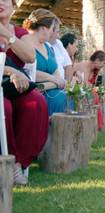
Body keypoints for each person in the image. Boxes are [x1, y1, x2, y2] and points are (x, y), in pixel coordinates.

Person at [0, 0, 49, 185]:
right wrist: (11, 71)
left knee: (36, 102)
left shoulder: (20, 32)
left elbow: (29, 56)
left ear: (14, 6)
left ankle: (19, 162)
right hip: (4, 84)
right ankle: (9, 161)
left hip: (13, 88)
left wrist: (5, 33)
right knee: (3, 107)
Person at [23, 8, 66, 116]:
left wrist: (55, 80)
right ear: (43, 28)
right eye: (52, 29)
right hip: (34, 92)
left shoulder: (47, 46)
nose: (52, 33)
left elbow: (56, 72)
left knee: (66, 97)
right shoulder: (24, 42)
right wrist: (52, 79)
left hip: (51, 89)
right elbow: (28, 72)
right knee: (59, 98)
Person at [73, 50, 105, 130]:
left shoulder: (96, 70)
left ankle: (96, 124)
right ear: (97, 61)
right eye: (104, 63)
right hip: (73, 88)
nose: (104, 66)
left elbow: (92, 85)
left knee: (95, 95)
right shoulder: (85, 65)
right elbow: (84, 84)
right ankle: (97, 125)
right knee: (94, 95)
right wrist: (92, 89)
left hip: (85, 92)